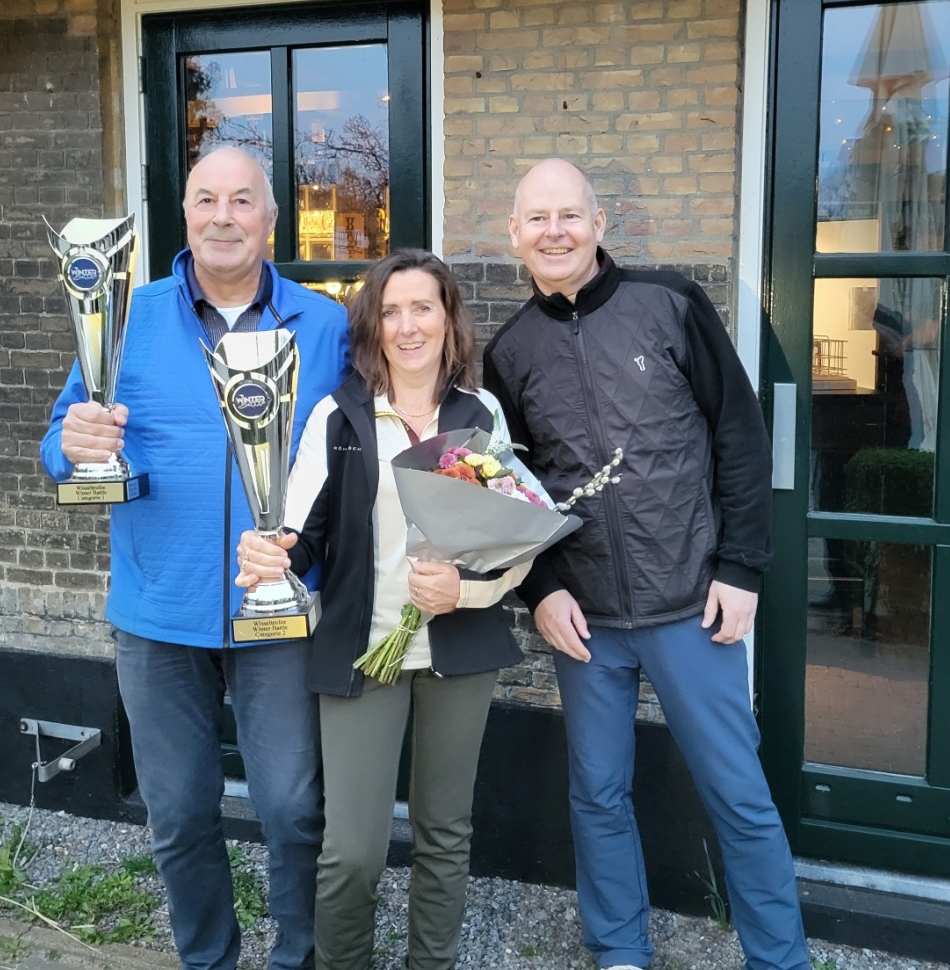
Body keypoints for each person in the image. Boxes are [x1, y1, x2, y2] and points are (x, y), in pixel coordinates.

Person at [482, 159, 811, 970]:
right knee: (597, 795)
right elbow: (509, 490)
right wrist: (542, 589)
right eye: (537, 218)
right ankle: (621, 949)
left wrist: (742, 566)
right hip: (586, 618)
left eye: (569, 214)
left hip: (692, 603)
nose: (554, 231)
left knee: (737, 792)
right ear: (514, 233)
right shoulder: (510, 352)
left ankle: (779, 958)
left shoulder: (670, 303)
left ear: (600, 223)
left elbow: (739, 433)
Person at [40, 146, 351, 970]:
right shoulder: (126, 315)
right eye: (206, 198)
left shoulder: (325, 325)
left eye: (242, 200)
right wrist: (73, 444)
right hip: (159, 613)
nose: (223, 216)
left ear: (271, 219)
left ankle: (297, 958)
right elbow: (59, 440)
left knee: (293, 810)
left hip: (279, 610)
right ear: (184, 214)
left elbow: (363, 451)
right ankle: (209, 959)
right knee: (178, 813)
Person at [235, 248, 529, 970]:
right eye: (391, 311)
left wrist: (466, 589)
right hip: (365, 651)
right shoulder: (339, 416)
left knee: (444, 835)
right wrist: (273, 552)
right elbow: (303, 534)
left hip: (458, 649)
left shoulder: (481, 413)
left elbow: (512, 534)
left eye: (422, 307)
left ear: (448, 319)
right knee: (352, 850)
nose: (407, 325)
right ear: (373, 326)